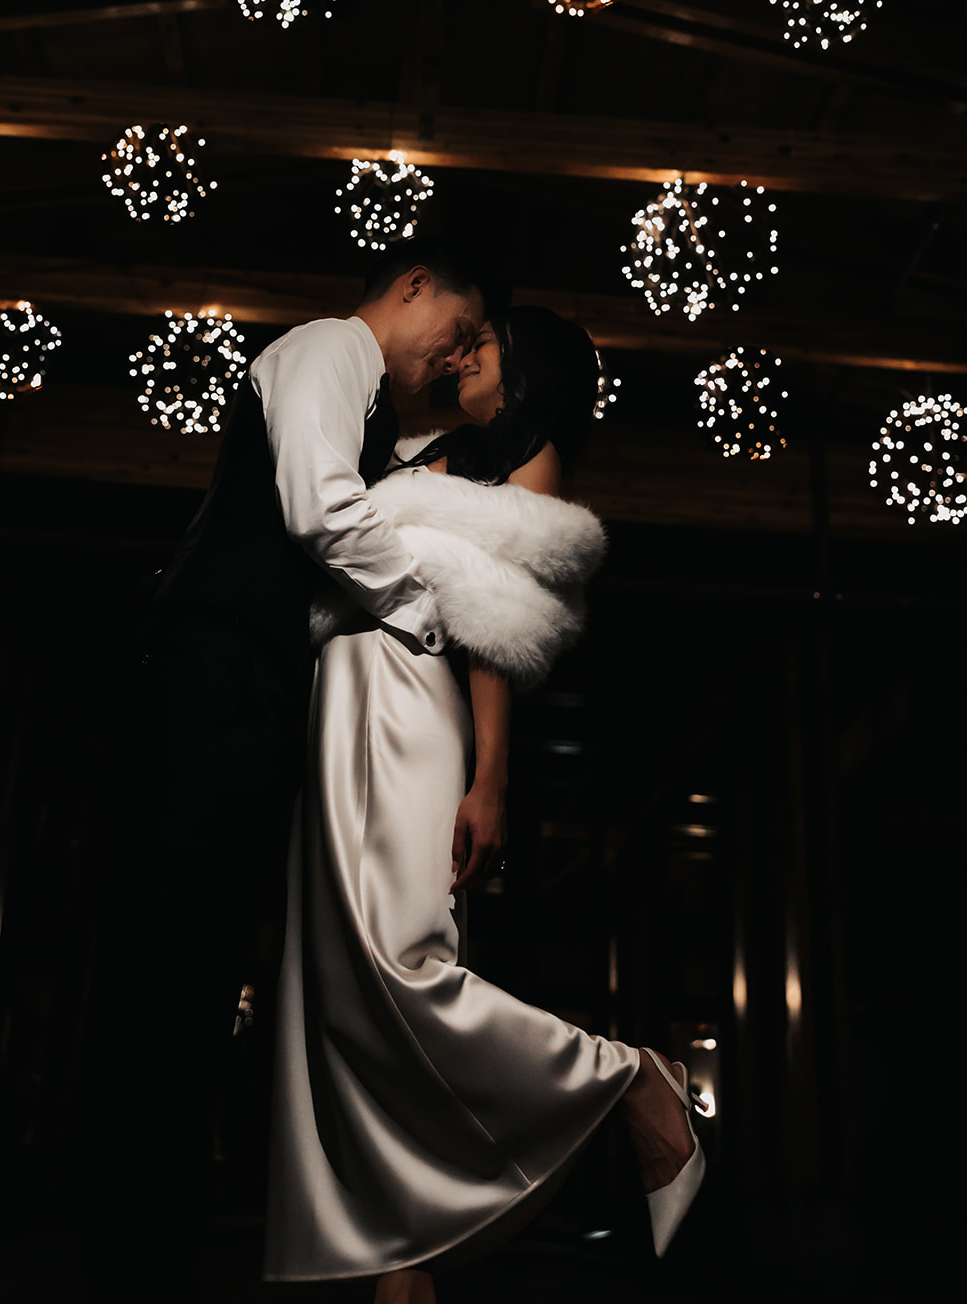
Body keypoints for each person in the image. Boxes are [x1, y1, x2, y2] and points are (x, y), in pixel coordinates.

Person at [76, 240, 495, 1290]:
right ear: (411, 286)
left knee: (205, 958)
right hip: (208, 675)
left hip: (242, 689)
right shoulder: (324, 350)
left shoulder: (370, 404)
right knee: (173, 959)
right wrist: (431, 610)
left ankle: (154, 1235)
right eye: (458, 330)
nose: (455, 357)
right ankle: (130, 1243)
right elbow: (317, 507)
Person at [263, 307, 705, 1298]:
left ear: (524, 374)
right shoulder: (437, 449)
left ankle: (630, 1080)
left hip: (404, 699)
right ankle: (402, 1262)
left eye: (485, 345)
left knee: (395, 969)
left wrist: (490, 777)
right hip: (342, 700)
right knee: (343, 1000)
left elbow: (493, 629)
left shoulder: (525, 455)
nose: (462, 353)